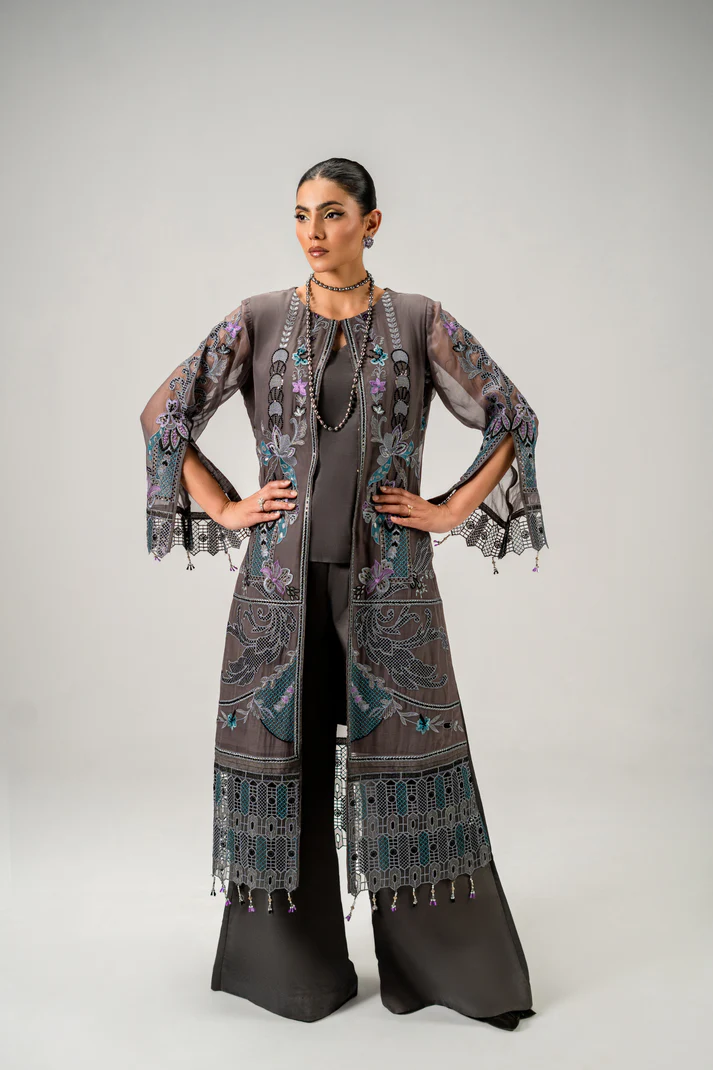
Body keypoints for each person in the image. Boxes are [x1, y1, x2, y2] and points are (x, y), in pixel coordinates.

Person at [140, 157, 548, 1026]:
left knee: (411, 765)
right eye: (300, 215)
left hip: (388, 587)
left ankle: (452, 973)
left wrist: (447, 509)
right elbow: (161, 415)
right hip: (276, 593)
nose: (313, 232)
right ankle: (291, 976)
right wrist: (227, 505)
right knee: (282, 764)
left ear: (370, 222)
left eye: (331, 213)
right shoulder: (257, 319)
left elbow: (511, 414)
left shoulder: (418, 320)